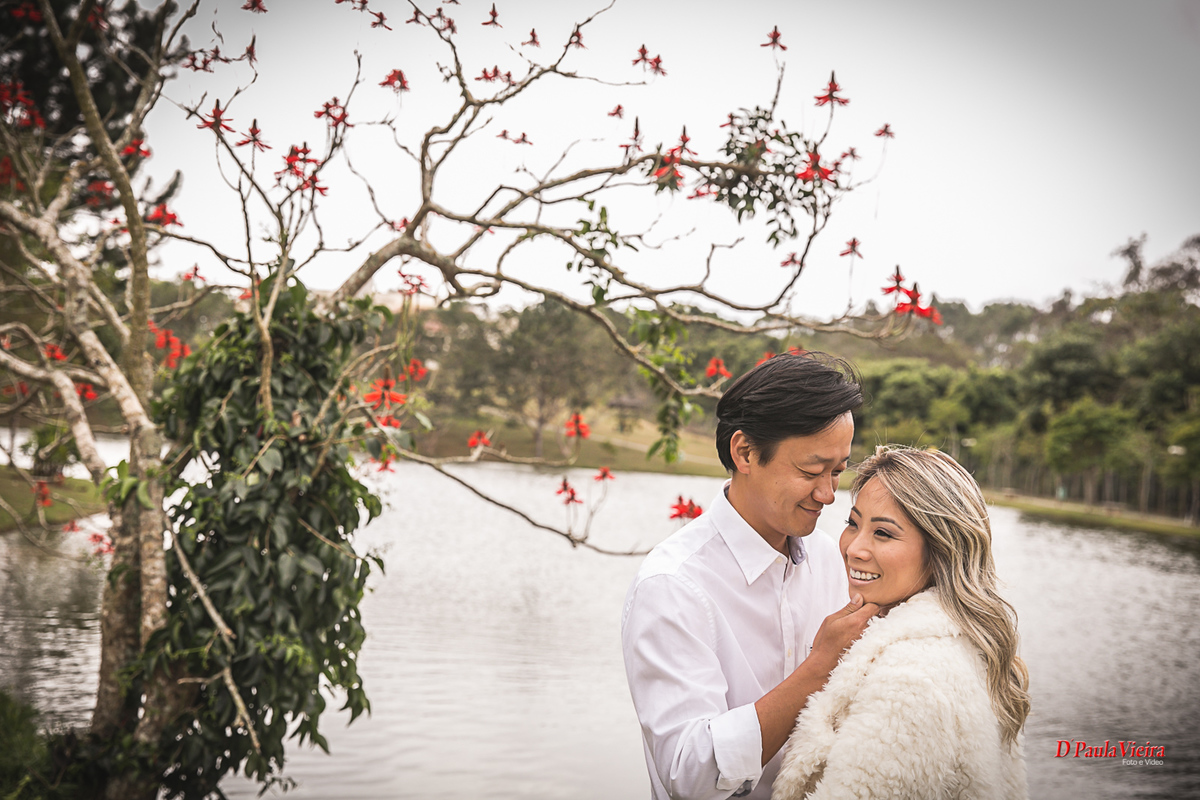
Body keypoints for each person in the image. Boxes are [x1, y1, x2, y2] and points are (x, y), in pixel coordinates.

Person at [621, 353, 880, 800]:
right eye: (811, 470)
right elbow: (690, 776)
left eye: (838, 471)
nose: (828, 494)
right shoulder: (673, 586)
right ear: (745, 452)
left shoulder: (839, 559)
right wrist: (820, 665)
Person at [772, 446, 1030, 800]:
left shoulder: (909, 683)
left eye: (883, 533)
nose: (853, 548)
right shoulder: (955, 642)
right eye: (853, 523)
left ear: (941, 549)